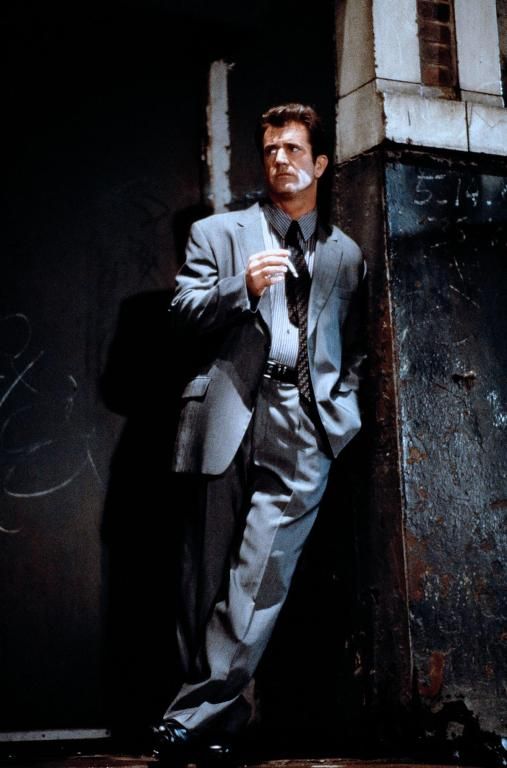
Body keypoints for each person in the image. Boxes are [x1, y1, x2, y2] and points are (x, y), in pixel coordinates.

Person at [151, 102, 366, 764]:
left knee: (258, 580)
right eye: (271, 149)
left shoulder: (345, 254)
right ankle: (220, 726)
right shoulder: (218, 233)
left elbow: (354, 346)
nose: (280, 159)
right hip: (227, 413)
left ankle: (189, 719)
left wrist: (341, 406)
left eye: (294, 149)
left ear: (319, 163)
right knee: (204, 581)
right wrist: (238, 288)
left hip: (304, 424)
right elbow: (181, 312)